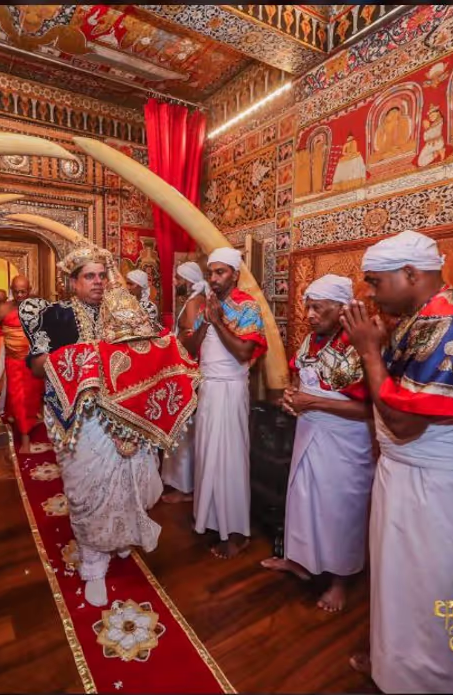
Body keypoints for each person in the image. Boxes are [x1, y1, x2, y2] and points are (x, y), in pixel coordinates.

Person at [341, 230, 453, 693]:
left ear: (411, 274)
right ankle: (396, 671)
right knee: (401, 585)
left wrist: (369, 351)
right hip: (409, 476)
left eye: (375, 283)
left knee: (437, 591)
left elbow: (403, 424)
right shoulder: (421, 321)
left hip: (440, 486)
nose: (370, 294)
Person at [19, 244, 163, 608]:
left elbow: (152, 352)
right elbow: (36, 365)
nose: (98, 283)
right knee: (88, 489)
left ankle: (120, 538)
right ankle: (94, 564)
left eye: (102, 275)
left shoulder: (127, 310)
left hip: (126, 413)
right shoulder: (57, 316)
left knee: (132, 483)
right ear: (73, 282)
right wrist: (76, 360)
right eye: (89, 277)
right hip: (81, 419)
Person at [262, 274, 373, 613]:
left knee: (341, 509)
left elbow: (368, 409)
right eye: (308, 306)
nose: (309, 314)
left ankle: (340, 580)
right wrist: (293, 397)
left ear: (342, 310)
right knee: (304, 500)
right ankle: (300, 560)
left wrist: (314, 403)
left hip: (346, 440)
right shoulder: (312, 341)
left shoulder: (358, 347)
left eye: (318, 308)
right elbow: (302, 381)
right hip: (310, 432)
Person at [186, 248, 267, 560]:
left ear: (234, 274)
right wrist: (206, 322)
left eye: (220, 272)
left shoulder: (248, 308)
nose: (214, 278)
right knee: (208, 454)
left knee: (230, 458)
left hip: (231, 390)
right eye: (211, 272)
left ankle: (236, 532)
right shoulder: (209, 306)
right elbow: (191, 347)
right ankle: (210, 518)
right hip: (207, 388)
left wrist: (218, 323)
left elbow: (245, 353)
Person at [0, 276, 46, 454]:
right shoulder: (4, 309)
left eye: (23, 291)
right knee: (18, 396)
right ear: (11, 290)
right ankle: (25, 439)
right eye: (16, 291)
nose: (20, 295)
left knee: (31, 397)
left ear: (29, 290)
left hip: (33, 361)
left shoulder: (37, 307)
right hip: (13, 362)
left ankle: (20, 417)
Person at [160, 261, 207, 504]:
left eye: (178, 279)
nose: (175, 283)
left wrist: (170, 342)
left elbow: (189, 339)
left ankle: (184, 486)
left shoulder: (192, 303)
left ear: (188, 280)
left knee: (184, 428)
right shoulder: (199, 299)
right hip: (190, 370)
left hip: (187, 370)